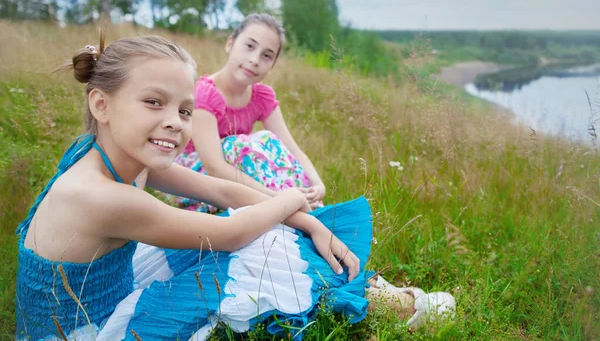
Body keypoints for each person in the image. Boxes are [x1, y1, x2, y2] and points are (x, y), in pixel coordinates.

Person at [15, 33, 454, 341]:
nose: (173, 121)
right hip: (84, 332)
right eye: (153, 102)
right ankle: (383, 302)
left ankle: (368, 286)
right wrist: (288, 199)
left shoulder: (112, 153)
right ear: (102, 104)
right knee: (254, 245)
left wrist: (307, 221)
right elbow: (229, 235)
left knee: (259, 226)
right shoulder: (101, 195)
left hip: (107, 292)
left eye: (185, 110)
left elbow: (222, 192)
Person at [170, 14, 326, 213]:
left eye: (267, 56)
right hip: (195, 180)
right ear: (230, 44)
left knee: (269, 141)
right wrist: (274, 197)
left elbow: (291, 149)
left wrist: (318, 185)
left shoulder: (262, 96)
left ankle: (308, 204)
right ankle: (287, 206)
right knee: (242, 145)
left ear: (272, 65)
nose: (254, 60)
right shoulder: (205, 93)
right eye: (249, 46)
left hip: (237, 178)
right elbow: (215, 167)